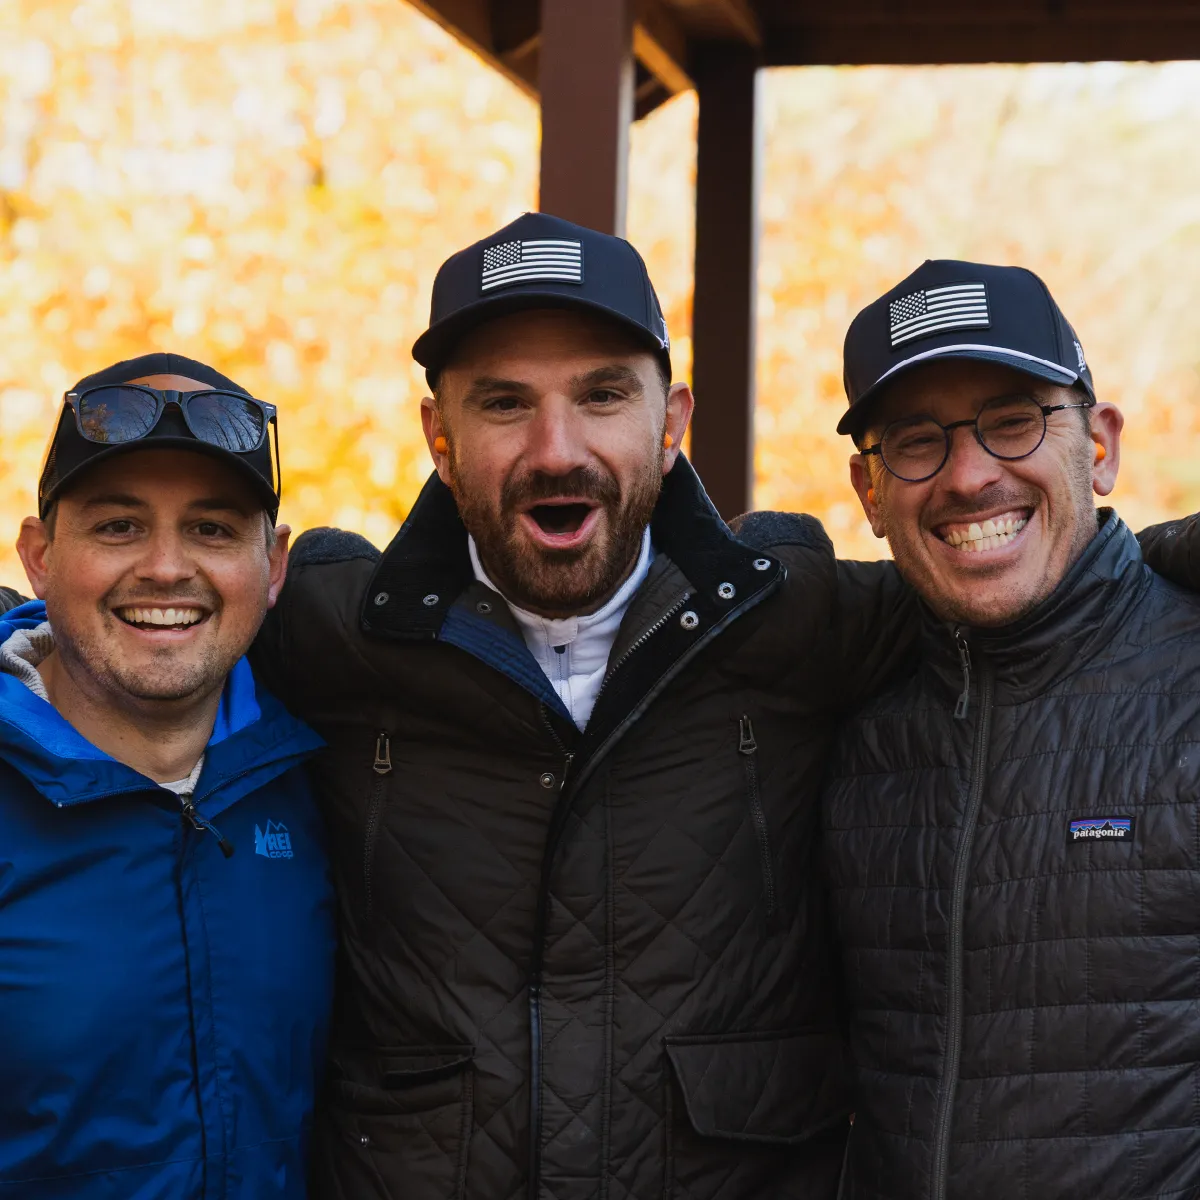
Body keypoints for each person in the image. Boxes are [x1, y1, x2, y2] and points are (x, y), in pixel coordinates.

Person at [253, 212, 928, 1200]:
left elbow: (1060, 585)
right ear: (439, 437)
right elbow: (128, 613)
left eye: (604, 395)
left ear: (671, 424)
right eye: (503, 403)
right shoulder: (335, 635)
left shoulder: (799, 621)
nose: (555, 448)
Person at [823, 260, 1200, 1198]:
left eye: (1013, 421)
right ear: (870, 493)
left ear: (1101, 445)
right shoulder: (843, 727)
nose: (970, 474)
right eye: (916, 441)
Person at [0, 353, 335, 1197]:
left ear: (275, 565)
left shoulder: (330, 782)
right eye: (118, 525)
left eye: (213, 529)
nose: (164, 567)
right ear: (39, 555)